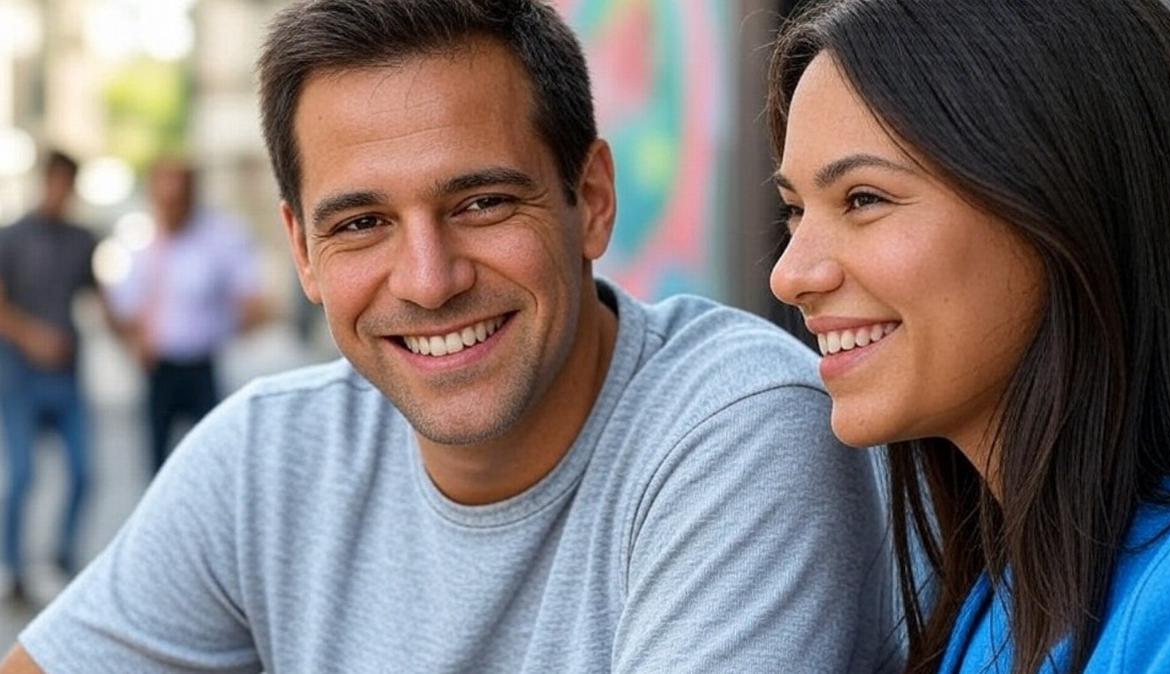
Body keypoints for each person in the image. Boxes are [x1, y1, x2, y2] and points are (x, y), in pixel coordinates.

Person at [1, 1, 897, 672]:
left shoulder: (739, 429)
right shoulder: (266, 456)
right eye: (360, 224)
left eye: (481, 203)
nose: (429, 280)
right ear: (302, 253)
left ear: (589, 200)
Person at [767, 0, 1170, 672]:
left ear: (1061, 202)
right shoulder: (1005, 600)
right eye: (795, 210)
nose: (790, 275)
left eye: (863, 198)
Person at [109, 158, 269, 474]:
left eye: (176, 197)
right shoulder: (141, 240)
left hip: (201, 365)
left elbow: (250, 296)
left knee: (212, 461)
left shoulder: (219, 236)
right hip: (159, 368)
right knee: (156, 468)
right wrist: (133, 343)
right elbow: (123, 306)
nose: (168, 205)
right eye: (161, 197)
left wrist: (228, 328)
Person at [0, 151, 99, 603]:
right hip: (21, 375)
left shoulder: (82, 240)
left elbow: (99, 298)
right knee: (22, 474)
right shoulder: (11, 237)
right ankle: (14, 567)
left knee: (83, 471)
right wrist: (32, 337)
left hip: (67, 375)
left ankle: (62, 556)